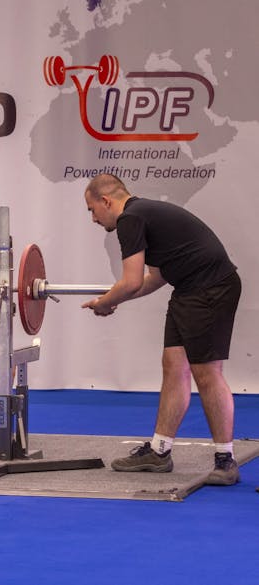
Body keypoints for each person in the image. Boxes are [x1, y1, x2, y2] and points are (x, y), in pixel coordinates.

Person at [81, 174, 241, 485]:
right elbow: (154, 278)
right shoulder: (144, 214)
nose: (93, 218)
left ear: (106, 201)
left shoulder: (130, 218)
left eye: (92, 210)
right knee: (173, 366)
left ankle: (225, 460)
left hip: (208, 288)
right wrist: (114, 301)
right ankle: (159, 452)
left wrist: (105, 302)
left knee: (206, 373)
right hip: (189, 289)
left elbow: (130, 282)